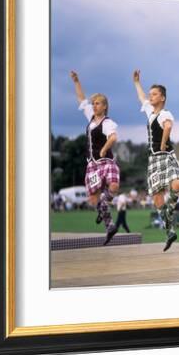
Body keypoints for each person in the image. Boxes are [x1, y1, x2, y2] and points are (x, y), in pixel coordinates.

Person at [133, 70, 179, 251]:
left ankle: (170, 211)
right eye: (150, 94)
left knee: (176, 184)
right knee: (156, 197)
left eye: (154, 94)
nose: (150, 96)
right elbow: (141, 99)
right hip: (153, 159)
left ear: (162, 98)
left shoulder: (164, 113)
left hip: (166, 155)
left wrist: (163, 143)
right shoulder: (150, 111)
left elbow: (168, 127)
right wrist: (137, 82)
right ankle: (169, 230)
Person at [70, 71, 120, 246]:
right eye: (94, 104)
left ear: (104, 106)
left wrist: (104, 149)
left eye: (97, 103)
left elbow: (113, 138)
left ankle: (103, 206)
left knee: (114, 185)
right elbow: (81, 100)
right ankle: (110, 226)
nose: (94, 106)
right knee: (93, 199)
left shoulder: (107, 123)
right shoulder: (90, 118)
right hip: (92, 165)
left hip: (106, 161)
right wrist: (77, 82)